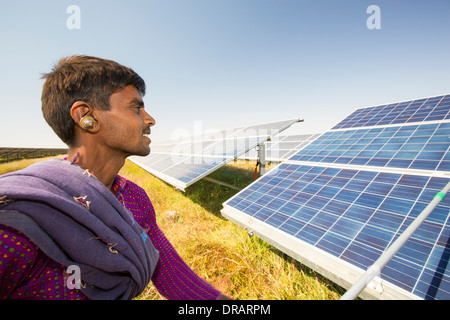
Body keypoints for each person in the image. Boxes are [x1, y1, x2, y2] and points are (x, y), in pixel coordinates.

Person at [0, 55, 229, 300]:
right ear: (86, 117)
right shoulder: (17, 219)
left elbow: (173, 276)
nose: (150, 120)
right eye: (135, 107)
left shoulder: (134, 198)